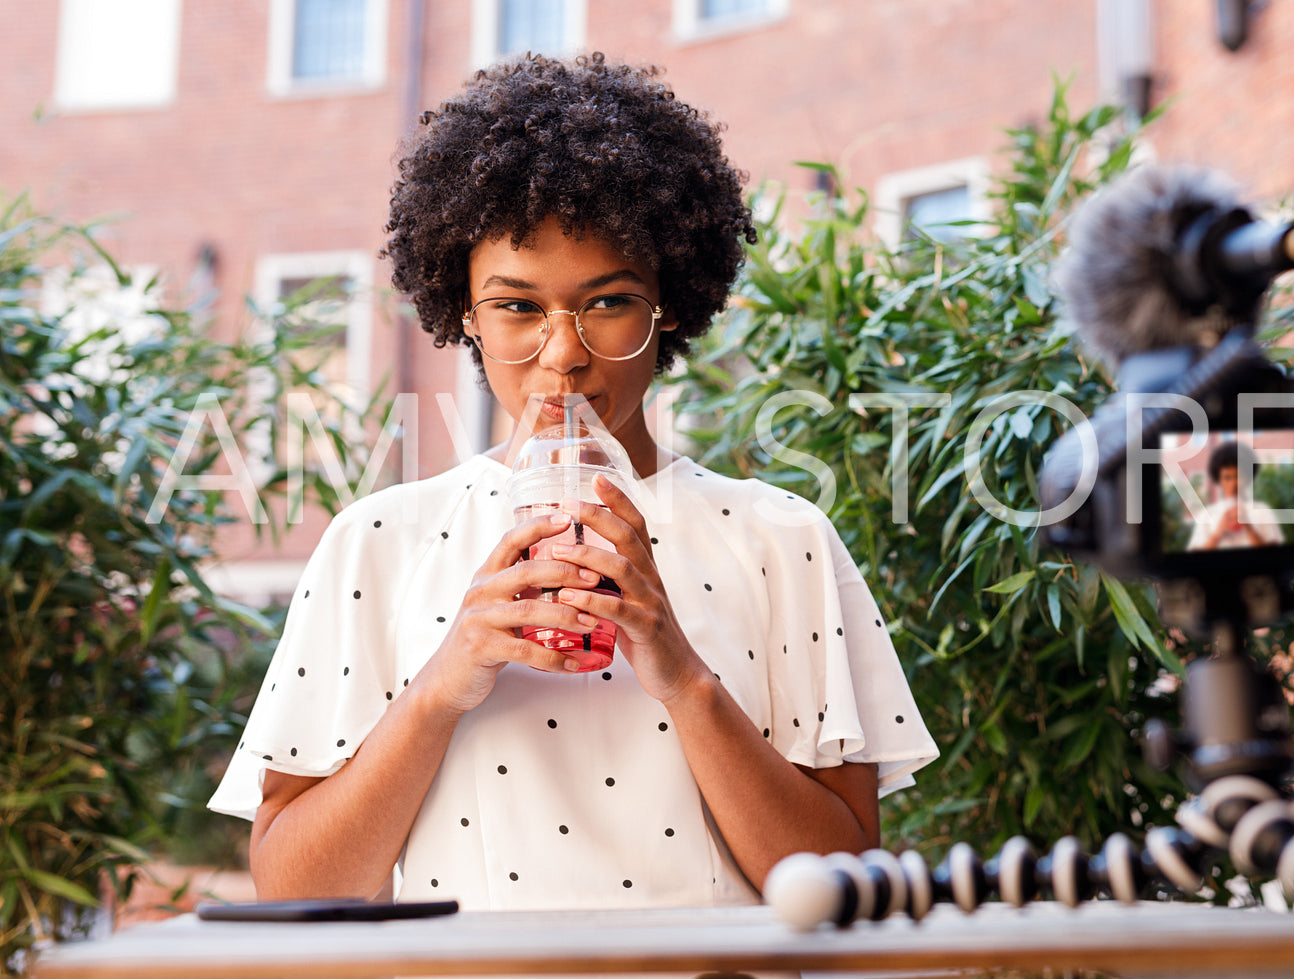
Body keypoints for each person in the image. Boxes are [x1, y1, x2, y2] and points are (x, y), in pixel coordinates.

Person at [208, 53, 938, 911]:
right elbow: (294, 887)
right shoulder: (378, 543)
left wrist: (679, 671)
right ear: (464, 316)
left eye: (607, 302)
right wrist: (443, 683)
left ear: (669, 304)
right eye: (517, 307)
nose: (564, 355)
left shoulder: (781, 539)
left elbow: (844, 884)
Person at [1185, 440, 1284, 550]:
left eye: (1238, 476)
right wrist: (1218, 533)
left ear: (1247, 477)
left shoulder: (1262, 511)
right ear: (1219, 480)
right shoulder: (1207, 515)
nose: (1233, 484)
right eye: (1227, 478)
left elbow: (1275, 557)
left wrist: (1249, 527)